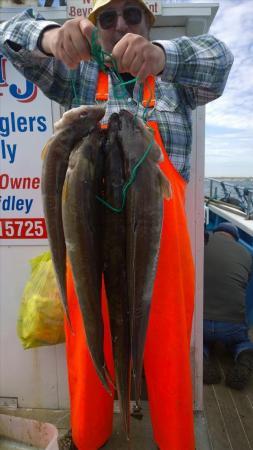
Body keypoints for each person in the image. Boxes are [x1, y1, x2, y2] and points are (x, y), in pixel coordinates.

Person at [0, 1, 234, 448]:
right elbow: (11, 34)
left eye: (131, 14)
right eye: (106, 18)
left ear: (150, 21)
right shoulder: (79, 76)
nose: (120, 25)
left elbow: (219, 58)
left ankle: (174, 440)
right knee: (88, 348)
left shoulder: (177, 84)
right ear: (95, 26)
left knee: (166, 354)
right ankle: (90, 437)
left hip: (159, 247)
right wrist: (50, 37)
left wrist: (163, 56)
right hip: (88, 236)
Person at [204, 222, 253, 390]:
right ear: (235, 239)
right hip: (232, 324)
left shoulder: (202, 240)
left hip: (202, 321)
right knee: (242, 342)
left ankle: (201, 359)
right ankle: (244, 358)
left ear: (216, 232)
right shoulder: (246, 253)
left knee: (198, 339)